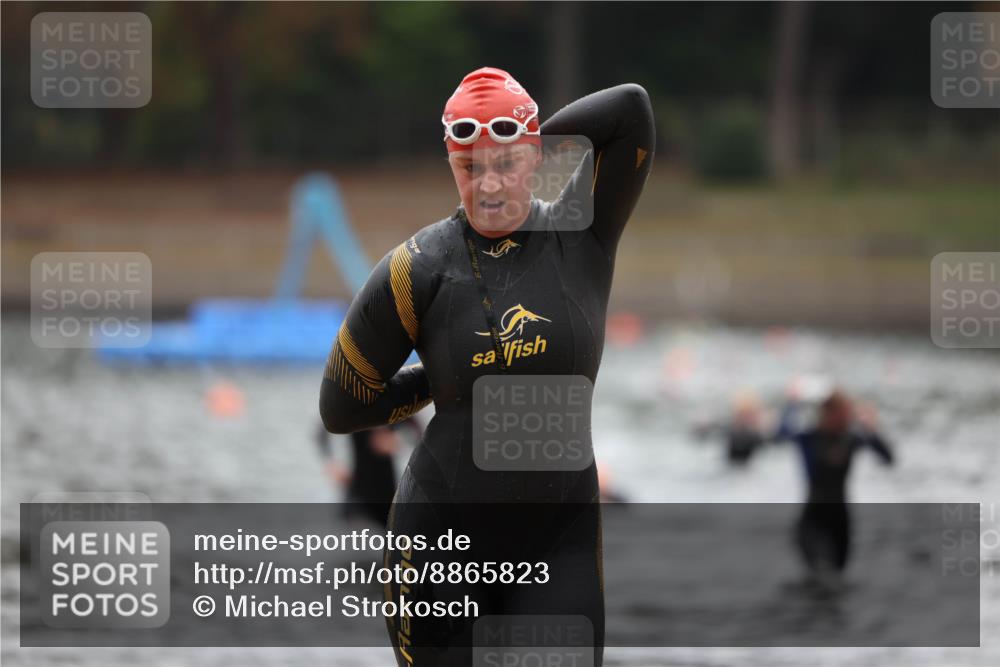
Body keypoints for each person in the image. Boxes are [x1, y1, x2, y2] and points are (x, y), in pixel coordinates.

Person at [319, 66, 654, 666]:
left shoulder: (582, 233)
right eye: (470, 166)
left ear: (534, 159)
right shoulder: (417, 268)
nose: (489, 184)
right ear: (451, 166)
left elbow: (630, 110)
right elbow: (342, 404)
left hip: (558, 544)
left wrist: (530, 136)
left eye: (505, 164)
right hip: (438, 539)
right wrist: (434, 386)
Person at [779, 390, 894, 583]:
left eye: (849, 415)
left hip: (841, 522)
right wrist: (792, 404)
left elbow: (888, 458)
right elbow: (781, 433)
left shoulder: (851, 439)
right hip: (813, 521)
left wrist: (871, 430)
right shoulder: (809, 438)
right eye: (843, 415)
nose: (847, 420)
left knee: (838, 581)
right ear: (827, 414)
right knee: (823, 575)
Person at [316, 423, 406, 527]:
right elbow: (323, 432)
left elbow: (420, 433)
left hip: (388, 494)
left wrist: (398, 440)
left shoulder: (394, 408)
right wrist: (332, 463)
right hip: (359, 492)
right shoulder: (354, 408)